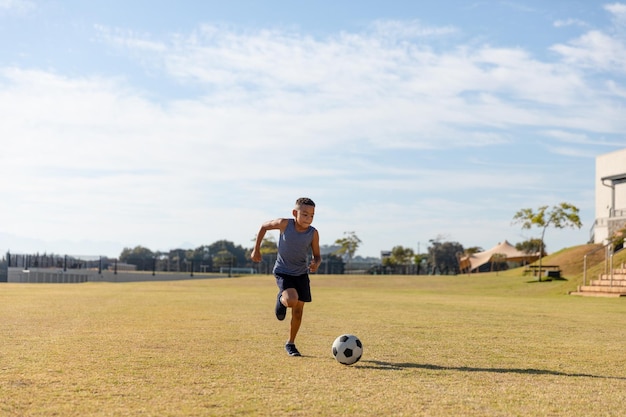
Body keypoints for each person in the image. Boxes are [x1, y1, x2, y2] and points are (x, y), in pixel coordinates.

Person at [251, 197, 321, 356]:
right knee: (291, 300)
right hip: (283, 271)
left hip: (301, 274)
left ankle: (291, 343)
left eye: (312, 215)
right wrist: (256, 249)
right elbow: (264, 226)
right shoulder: (284, 224)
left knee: (298, 311)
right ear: (295, 213)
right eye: (304, 214)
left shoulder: (313, 233)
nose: (308, 219)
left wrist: (316, 263)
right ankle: (281, 299)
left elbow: (317, 256)